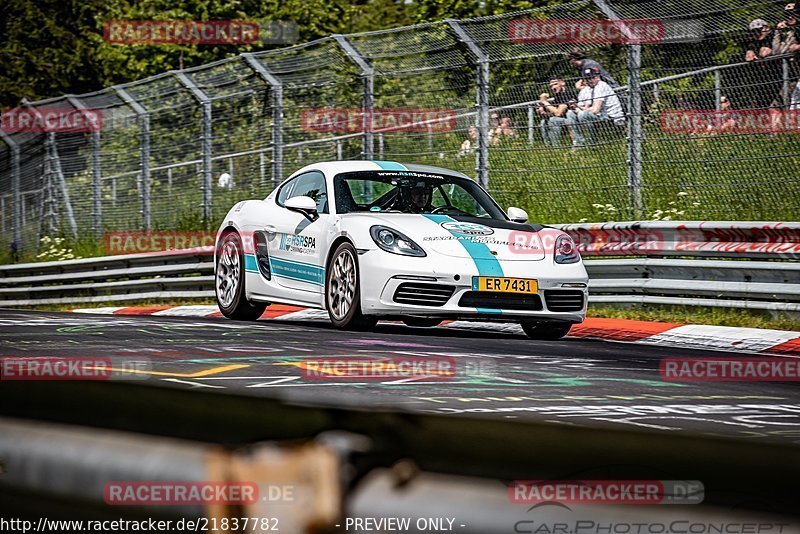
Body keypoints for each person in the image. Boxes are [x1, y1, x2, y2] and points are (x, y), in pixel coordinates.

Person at [566, 67, 625, 148]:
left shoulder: (601, 86)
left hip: (611, 117)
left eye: (592, 77)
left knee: (583, 115)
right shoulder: (587, 89)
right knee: (570, 114)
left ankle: (591, 144)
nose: (590, 80)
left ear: (597, 77)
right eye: (587, 78)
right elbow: (582, 106)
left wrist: (580, 108)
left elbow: (595, 110)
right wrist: (576, 107)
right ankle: (580, 142)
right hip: (600, 116)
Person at [536, 78, 576, 147]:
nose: (553, 87)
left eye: (555, 84)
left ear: (562, 83)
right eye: (551, 86)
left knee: (553, 120)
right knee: (543, 122)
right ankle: (548, 146)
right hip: (563, 119)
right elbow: (555, 112)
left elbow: (558, 113)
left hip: (573, 119)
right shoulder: (558, 96)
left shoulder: (567, 94)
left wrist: (544, 102)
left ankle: (556, 146)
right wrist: (544, 113)